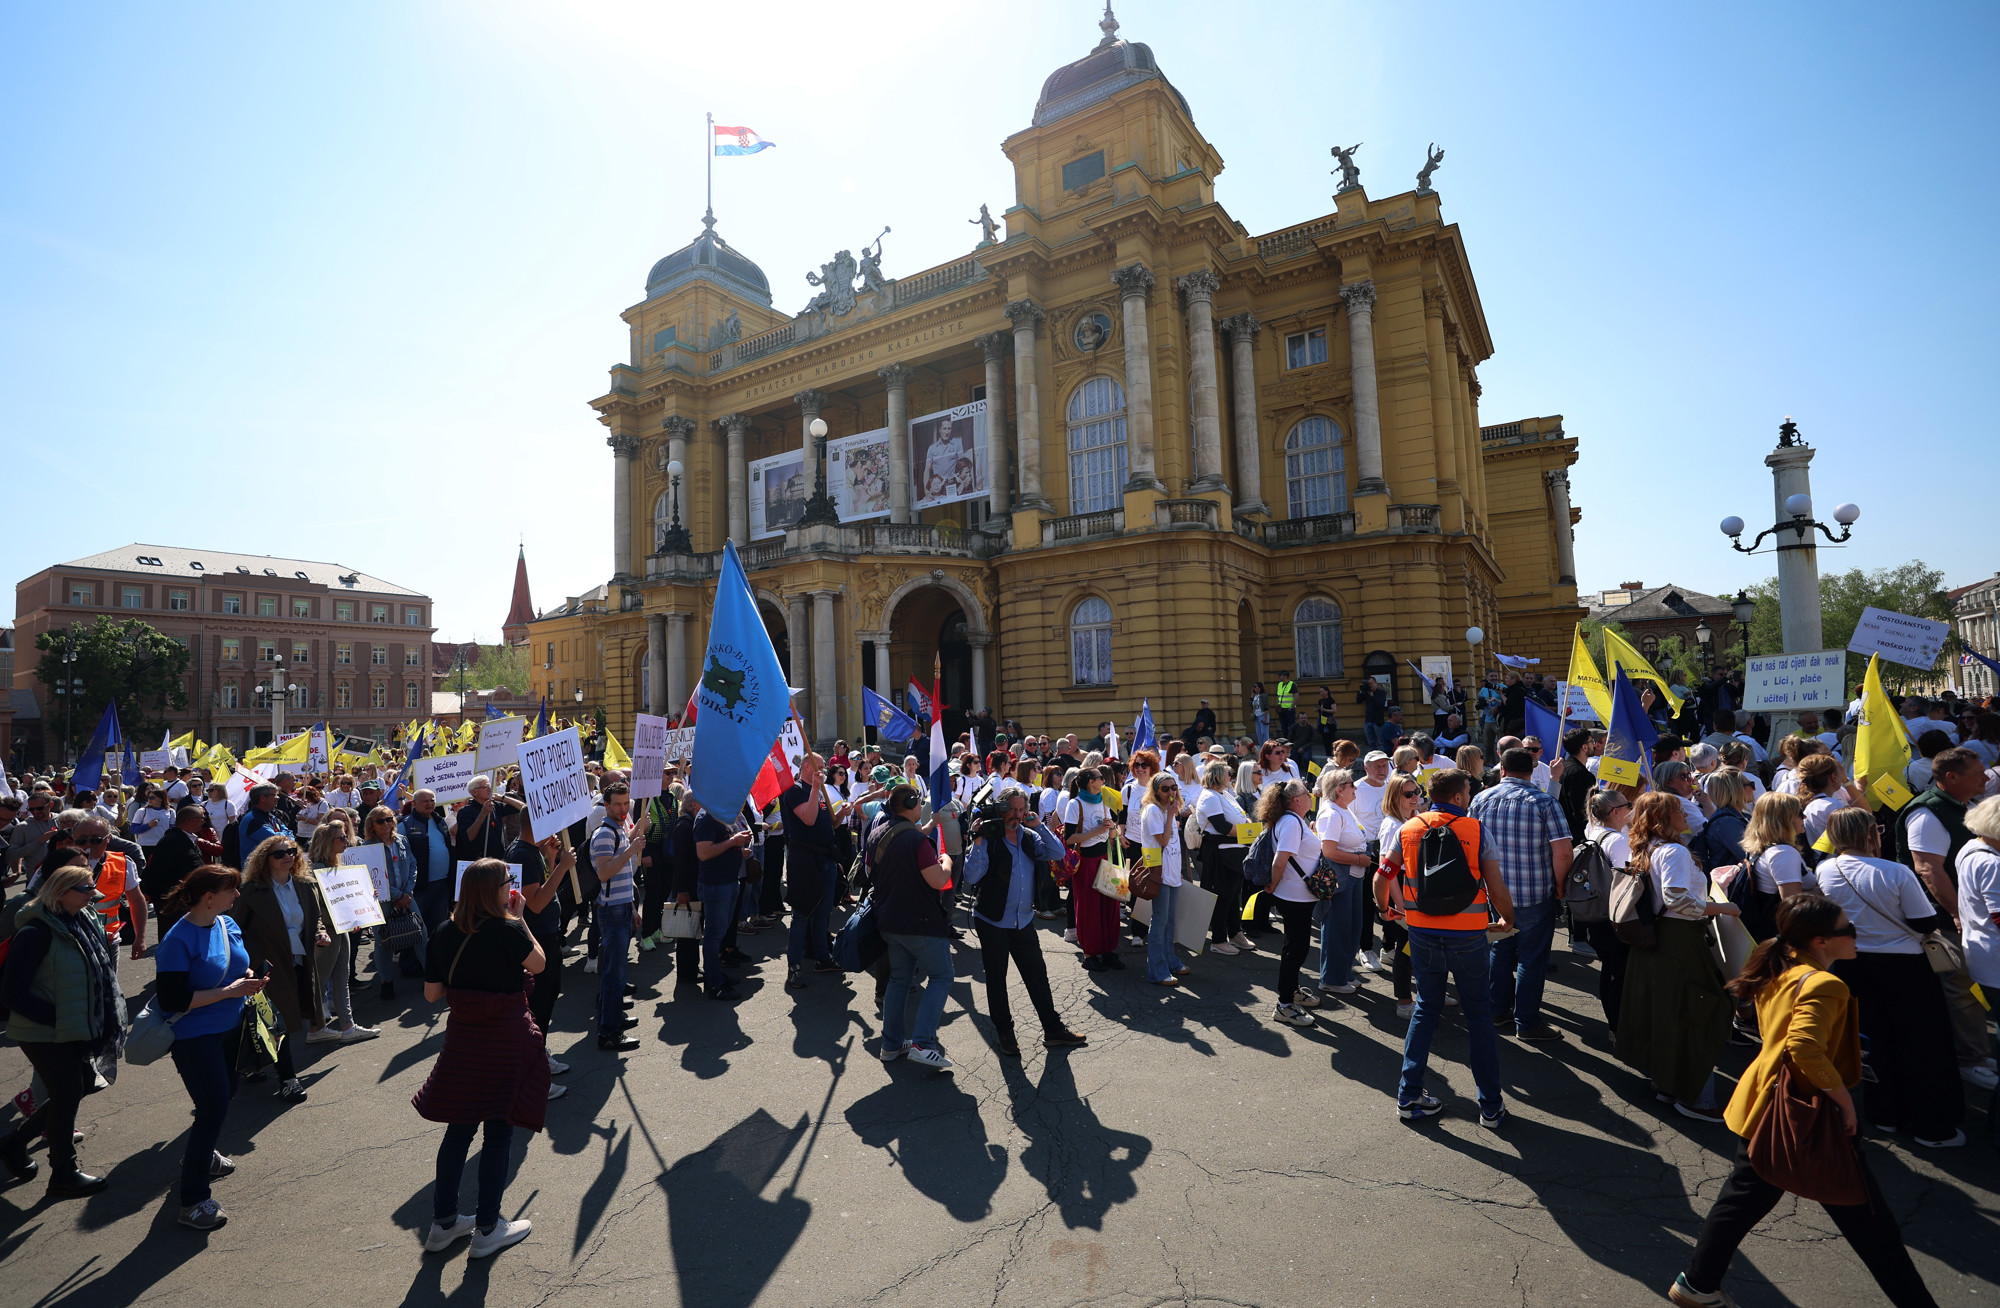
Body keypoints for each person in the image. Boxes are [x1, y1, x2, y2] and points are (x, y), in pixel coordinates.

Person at [1668, 894, 1938, 1308]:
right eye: (1846, 929)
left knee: (1741, 1201)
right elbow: (1805, 1048)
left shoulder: (1778, 963)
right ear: (1820, 942)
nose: (1854, 934)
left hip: (1765, 1101)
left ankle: (1697, 1284)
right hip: (1806, 1113)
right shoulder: (1825, 984)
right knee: (1873, 1227)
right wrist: (1845, 1101)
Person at [413, 859, 550, 1259]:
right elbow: (538, 964)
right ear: (494, 889)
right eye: (508, 881)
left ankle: (443, 1223)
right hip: (504, 1039)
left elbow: (431, 995)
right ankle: (488, 1227)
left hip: (464, 1039)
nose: (512, 886)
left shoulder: (443, 931)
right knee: (499, 1130)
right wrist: (520, 919)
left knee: (459, 1129)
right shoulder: (507, 928)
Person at [1810, 808, 1964, 1147]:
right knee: (1923, 1045)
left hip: (1853, 965)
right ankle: (1932, 1126)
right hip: (1905, 968)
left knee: (1872, 1043)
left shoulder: (1825, 870)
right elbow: (1924, 923)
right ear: (1870, 833)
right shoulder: (1895, 872)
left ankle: (1885, 1114)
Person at [1378, 768, 1513, 1126]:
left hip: (1422, 932)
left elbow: (1382, 876)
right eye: (1467, 791)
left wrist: (1386, 909)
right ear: (1457, 797)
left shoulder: (1407, 829)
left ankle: (1409, 1097)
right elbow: (1495, 886)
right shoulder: (1475, 829)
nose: (1469, 796)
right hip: (1468, 935)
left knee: (1426, 1008)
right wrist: (1507, 918)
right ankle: (1490, 1106)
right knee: (1479, 1016)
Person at [0, 862, 125, 1198]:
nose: (92, 898)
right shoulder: (36, 931)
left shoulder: (78, 919)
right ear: (61, 893)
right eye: (85, 891)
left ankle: (14, 1143)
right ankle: (63, 1173)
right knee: (69, 1093)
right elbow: (11, 993)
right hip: (43, 1031)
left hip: (73, 1027)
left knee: (80, 1086)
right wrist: (59, 1018)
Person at [1614, 792, 1739, 1123]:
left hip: (1664, 942)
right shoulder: (1672, 851)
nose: (1686, 815)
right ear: (1663, 818)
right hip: (1679, 941)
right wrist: (1723, 907)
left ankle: (1669, 1086)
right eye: (1679, 811)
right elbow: (1677, 899)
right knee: (1701, 1011)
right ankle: (1695, 1097)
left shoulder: (1650, 847)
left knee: (1672, 1013)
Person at [156, 864, 266, 1229]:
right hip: (195, 1038)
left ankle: (200, 1157)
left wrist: (248, 978)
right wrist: (230, 991)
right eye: (231, 890)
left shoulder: (226, 924)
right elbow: (172, 999)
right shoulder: (177, 940)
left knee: (225, 1094)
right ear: (209, 897)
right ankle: (193, 1201)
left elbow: (236, 965)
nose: (237, 895)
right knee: (213, 1107)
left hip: (230, 1029)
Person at [964, 788, 1087, 1054]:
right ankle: (1005, 1033)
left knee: (1037, 976)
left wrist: (1039, 825)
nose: (1017, 816)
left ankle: (1053, 1029)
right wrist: (976, 841)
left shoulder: (1030, 836)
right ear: (1000, 809)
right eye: (1012, 810)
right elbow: (972, 877)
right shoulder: (989, 838)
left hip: (1023, 922)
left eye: (1022, 810)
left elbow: (1056, 852)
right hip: (992, 921)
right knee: (997, 980)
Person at [1468, 746, 1573, 1042]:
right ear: (1532, 770)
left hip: (1493, 892)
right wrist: (1561, 885)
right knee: (1532, 958)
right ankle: (1526, 1023)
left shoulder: (1480, 799)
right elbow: (1563, 853)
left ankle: (1496, 1010)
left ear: (1502, 769)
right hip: (1534, 893)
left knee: (1499, 950)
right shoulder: (1544, 802)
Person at [232, 835, 332, 1102]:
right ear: (266, 860)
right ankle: (288, 1079)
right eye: (279, 854)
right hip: (266, 965)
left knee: (280, 1018)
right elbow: (233, 928)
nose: (287, 856)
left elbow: (315, 917)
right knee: (281, 1020)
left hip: (299, 960)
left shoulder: (305, 885)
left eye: (291, 851)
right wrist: (241, 965)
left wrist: (320, 933)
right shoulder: (251, 891)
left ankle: (250, 1065)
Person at [870, 785, 956, 1070]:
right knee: (942, 976)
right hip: (919, 922)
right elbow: (938, 881)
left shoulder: (878, 832)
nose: (923, 806)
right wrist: (946, 862)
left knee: (899, 980)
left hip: (889, 922)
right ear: (909, 804)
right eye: (919, 802)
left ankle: (891, 1044)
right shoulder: (916, 842)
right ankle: (923, 1043)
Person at [505, 810, 572, 1089]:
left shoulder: (531, 850)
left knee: (547, 997)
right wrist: (563, 867)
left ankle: (537, 1056)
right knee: (540, 1003)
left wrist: (552, 858)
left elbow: (541, 889)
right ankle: (533, 1073)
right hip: (539, 937)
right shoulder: (522, 854)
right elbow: (535, 903)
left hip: (546, 933)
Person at [303, 823, 378, 1045]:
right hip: (328, 931)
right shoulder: (315, 870)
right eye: (342, 838)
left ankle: (346, 1026)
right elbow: (315, 908)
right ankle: (316, 1029)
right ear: (328, 842)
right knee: (323, 980)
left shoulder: (334, 866)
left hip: (339, 928)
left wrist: (364, 895)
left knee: (340, 978)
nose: (347, 841)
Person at [589, 782, 649, 1050]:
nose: (623, 808)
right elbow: (604, 873)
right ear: (606, 804)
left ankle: (612, 1019)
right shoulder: (604, 834)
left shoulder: (619, 829)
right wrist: (631, 850)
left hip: (621, 907)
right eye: (618, 804)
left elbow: (624, 875)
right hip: (611, 910)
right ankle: (609, 1033)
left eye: (626, 803)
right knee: (614, 973)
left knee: (615, 971)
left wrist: (632, 907)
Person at [1260, 779, 1325, 1025]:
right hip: (1294, 896)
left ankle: (1292, 992)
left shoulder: (1293, 821)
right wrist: (1273, 886)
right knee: (1295, 951)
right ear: (1297, 800)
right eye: (1307, 793)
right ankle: (1284, 1005)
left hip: (1299, 895)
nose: (1311, 796)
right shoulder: (1290, 822)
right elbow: (1280, 860)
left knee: (1296, 948)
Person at [1310, 768, 1373, 997]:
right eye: (1351, 785)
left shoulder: (1343, 809)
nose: (1355, 788)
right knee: (1338, 929)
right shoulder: (1331, 813)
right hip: (1340, 879)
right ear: (1339, 790)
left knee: (1353, 927)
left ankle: (1344, 973)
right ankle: (1331, 979)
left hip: (1353, 877)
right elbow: (1329, 851)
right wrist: (1359, 859)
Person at [782, 753, 841, 990]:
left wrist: (840, 819)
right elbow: (808, 819)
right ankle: (794, 966)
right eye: (820, 767)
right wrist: (815, 788)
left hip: (825, 858)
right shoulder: (795, 791)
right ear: (807, 767)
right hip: (804, 861)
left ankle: (822, 957)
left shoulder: (822, 790)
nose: (824, 770)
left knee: (823, 912)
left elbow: (826, 823)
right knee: (801, 914)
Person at [1577, 789, 1635, 1031]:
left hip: (1596, 911)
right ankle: (1618, 1027)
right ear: (1615, 812)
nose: (1630, 808)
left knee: (1610, 969)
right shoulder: (1618, 841)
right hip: (1614, 916)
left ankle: (1615, 1025)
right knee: (1619, 975)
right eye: (1627, 805)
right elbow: (1629, 880)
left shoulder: (1593, 831)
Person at [1372, 776, 1428, 1017]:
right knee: (1406, 949)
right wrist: (1399, 903)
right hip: (1404, 889)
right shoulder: (1393, 825)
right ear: (1395, 797)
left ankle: (1427, 992)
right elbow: (1387, 872)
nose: (1415, 796)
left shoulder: (1413, 818)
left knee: (1423, 946)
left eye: (1417, 791)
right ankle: (1404, 1002)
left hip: (1418, 887)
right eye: (1408, 794)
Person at [688, 800, 752, 1003]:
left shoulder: (721, 813)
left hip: (728, 881)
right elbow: (704, 853)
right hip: (717, 884)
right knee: (714, 935)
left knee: (719, 932)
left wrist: (738, 847)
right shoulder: (707, 817)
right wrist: (734, 842)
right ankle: (714, 982)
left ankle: (715, 975)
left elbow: (720, 845)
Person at [1137, 772, 1191, 987]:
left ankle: (1171, 961)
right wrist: (1170, 816)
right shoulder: (1152, 810)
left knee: (1169, 921)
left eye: (1174, 787)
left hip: (1172, 872)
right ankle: (1157, 970)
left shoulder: (1167, 810)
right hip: (1158, 873)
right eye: (1165, 789)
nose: (1171, 792)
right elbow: (1163, 841)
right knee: (1159, 921)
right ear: (1156, 791)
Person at [1193, 760, 1252, 955]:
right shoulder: (1209, 796)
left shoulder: (1225, 793)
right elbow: (1222, 827)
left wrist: (1248, 827)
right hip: (1220, 852)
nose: (1230, 777)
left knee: (1234, 895)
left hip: (1234, 851)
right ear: (1218, 775)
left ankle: (1235, 933)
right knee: (1223, 895)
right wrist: (1249, 832)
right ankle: (1218, 939)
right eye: (1227, 774)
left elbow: (1242, 817)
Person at [365, 804, 422, 997]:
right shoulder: (368, 847)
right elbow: (371, 877)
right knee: (383, 941)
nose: (387, 823)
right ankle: (386, 981)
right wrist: (398, 895)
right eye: (381, 821)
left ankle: (432, 978)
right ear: (372, 825)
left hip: (407, 896)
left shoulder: (402, 840)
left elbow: (413, 865)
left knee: (421, 934)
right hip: (382, 900)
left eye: (390, 819)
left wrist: (407, 892)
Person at [1737, 791, 1807, 942]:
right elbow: (1793, 904)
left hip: (1765, 933)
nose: (1805, 817)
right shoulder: (1783, 853)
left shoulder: (1760, 847)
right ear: (1785, 820)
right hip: (1783, 936)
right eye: (1800, 813)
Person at [144, 804, 209, 938]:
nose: (204, 821)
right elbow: (156, 869)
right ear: (191, 820)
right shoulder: (173, 841)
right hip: (173, 901)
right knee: (173, 937)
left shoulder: (183, 838)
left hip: (180, 899)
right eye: (202, 818)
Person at [402, 789, 456, 941]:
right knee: (416, 928)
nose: (429, 803)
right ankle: (412, 964)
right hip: (420, 887)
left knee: (438, 927)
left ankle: (433, 961)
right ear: (414, 803)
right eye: (425, 801)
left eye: (432, 800)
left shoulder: (439, 820)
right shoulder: (405, 824)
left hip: (442, 884)